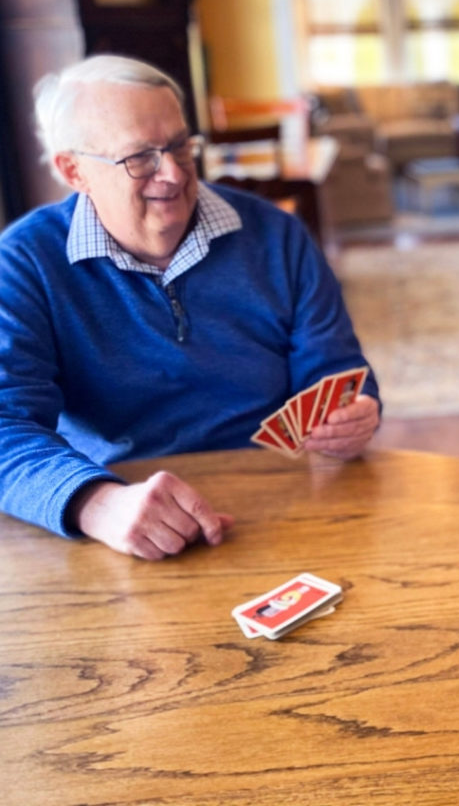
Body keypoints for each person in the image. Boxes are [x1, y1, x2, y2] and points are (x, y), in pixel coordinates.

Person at [0, 55, 380, 560]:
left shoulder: (278, 235)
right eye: (140, 157)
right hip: (117, 518)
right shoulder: (24, 262)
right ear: (74, 171)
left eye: (181, 144)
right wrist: (96, 503)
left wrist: (354, 416)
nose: (174, 173)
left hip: (275, 501)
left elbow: (336, 367)